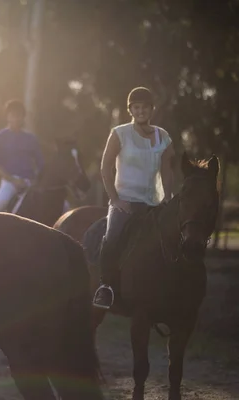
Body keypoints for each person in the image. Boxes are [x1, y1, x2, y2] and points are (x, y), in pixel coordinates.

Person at [93, 87, 175, 309]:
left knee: (175, 240)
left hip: (154, 203)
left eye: (145, 107)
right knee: (112, 238)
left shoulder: (164, 137)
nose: (140, 111)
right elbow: (105, 167)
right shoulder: (119, 133)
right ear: (130, 110)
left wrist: (168, 198)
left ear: (151, 109)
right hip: (126, 201)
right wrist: (115, 199)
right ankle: (105, 287)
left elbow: (167, 170)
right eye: (136, 107)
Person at [0, 99, 44, 213]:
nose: (16, 118)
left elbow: (40, 163)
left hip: (30, 182)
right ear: (7, 117)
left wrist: (36, 180)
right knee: (0, 204)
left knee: (63, 205)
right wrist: (13, 180)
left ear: (23, 117)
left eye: (19, 116)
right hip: (10, 182)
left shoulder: (31, 139)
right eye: (13, 115)